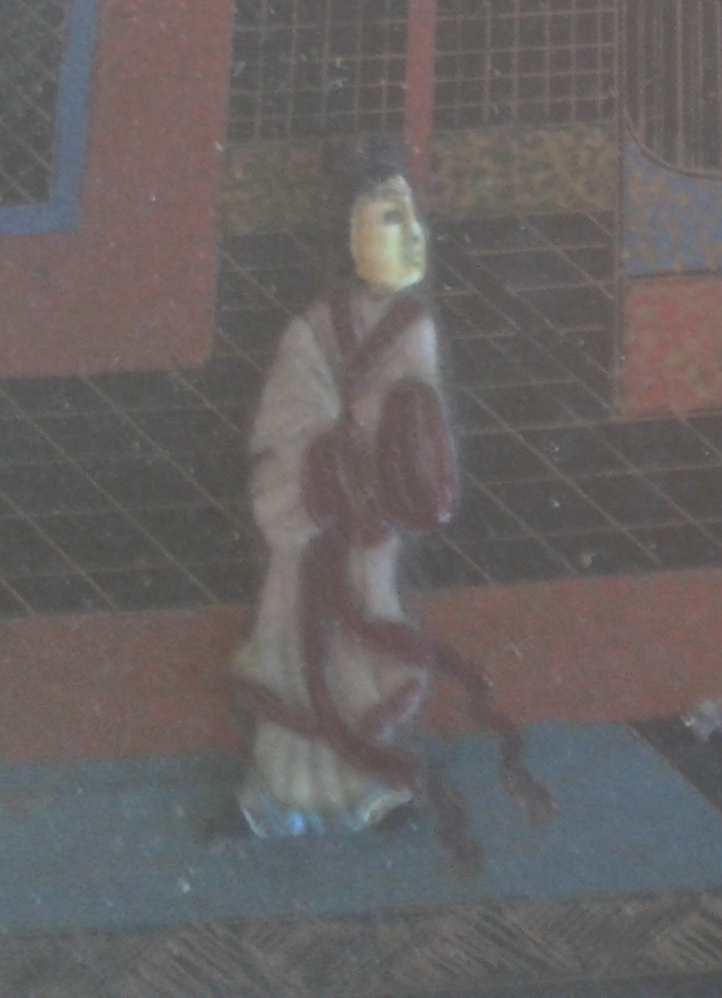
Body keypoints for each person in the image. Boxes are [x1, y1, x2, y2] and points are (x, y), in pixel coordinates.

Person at [228, 146, 549, 869]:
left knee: (363, 648)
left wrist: (386, 459)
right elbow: (280, 429)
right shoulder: (310, 332)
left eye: (412, 216)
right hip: (308, 532)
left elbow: (419, 438)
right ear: (349, 233)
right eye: (387, 216)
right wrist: (329, 457)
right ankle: (278, 793)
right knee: (294, 650)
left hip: (371, 532)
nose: (410, 232)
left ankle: (366, 784)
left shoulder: (413, 329)